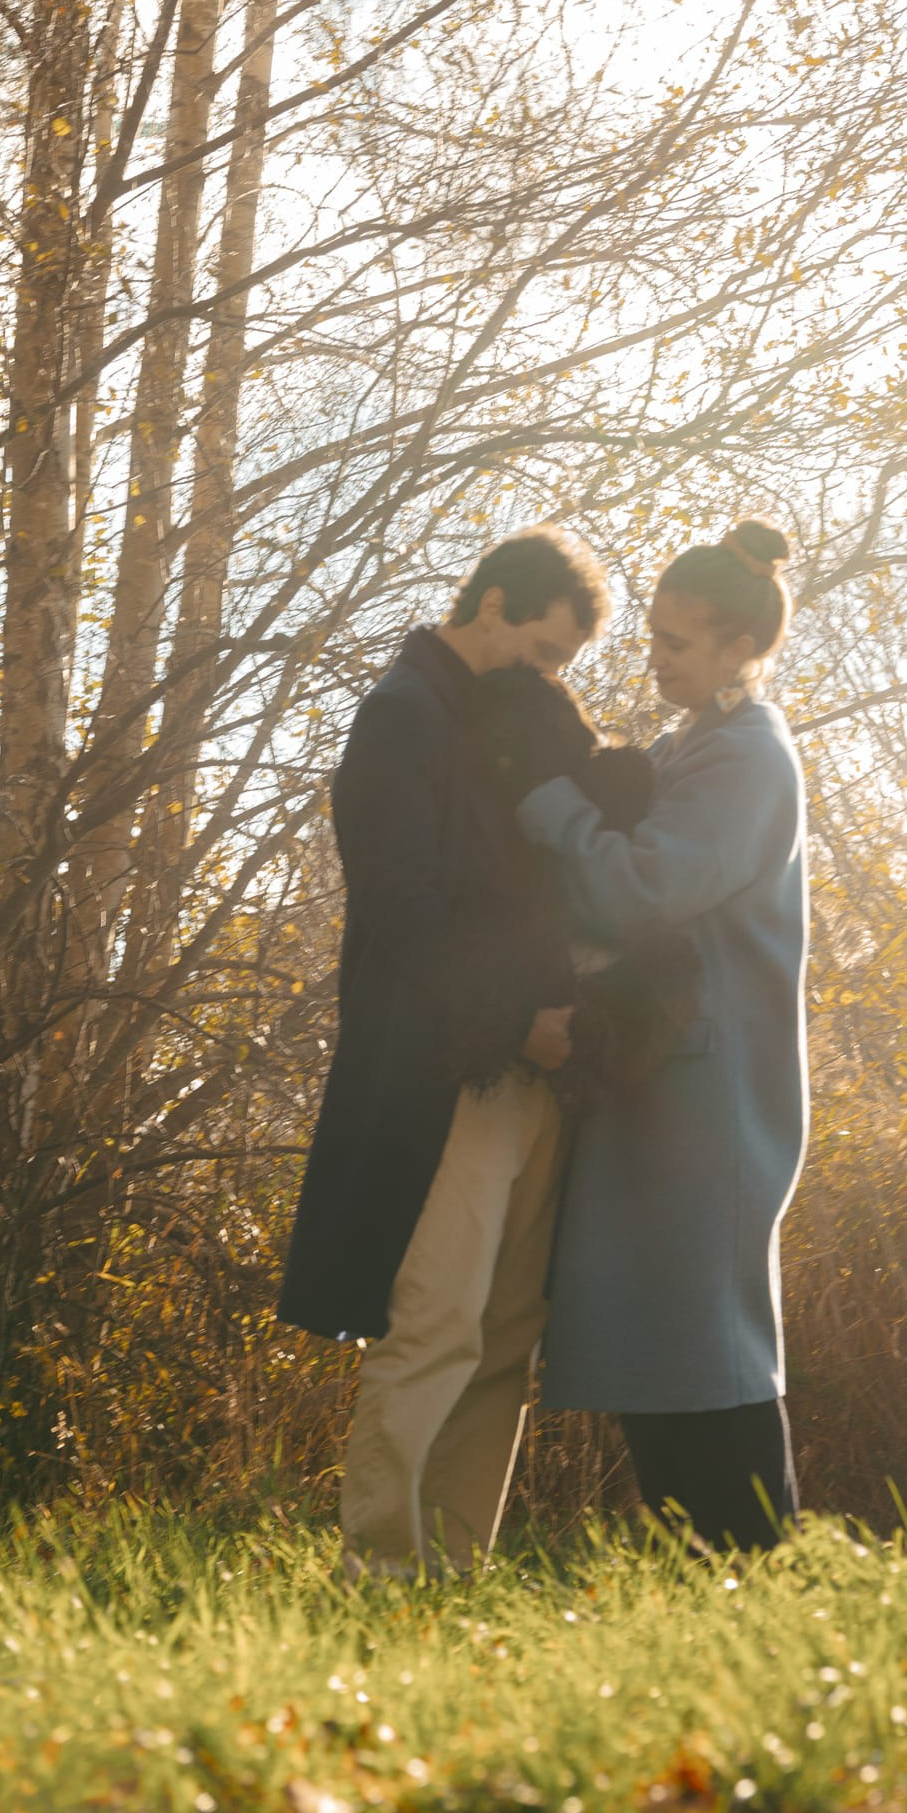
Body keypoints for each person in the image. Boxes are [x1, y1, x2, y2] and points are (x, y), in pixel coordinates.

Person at [277, 526, 610, 1572]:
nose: (547, 678)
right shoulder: (401, 716)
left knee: (505, 1335)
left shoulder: (495, 721)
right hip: (441, 1069)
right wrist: (519, 1021)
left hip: (530, 1073)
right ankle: (379, 1569)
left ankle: (453, 1571)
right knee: (435, 1326)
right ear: (494, 603)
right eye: (544, 652)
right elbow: (403, 916)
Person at [511, 520, 808, 1552]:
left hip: (712, 1096)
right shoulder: (697, 747)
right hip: (667, 1084)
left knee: (705, 1336)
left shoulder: (747, 761)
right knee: (656, 1331)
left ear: (740, 650)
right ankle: (706, 1560)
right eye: (654, 635)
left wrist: (549, 804)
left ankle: (752, 1557)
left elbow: (643, 890)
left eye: (678, 643)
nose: (656, 657)